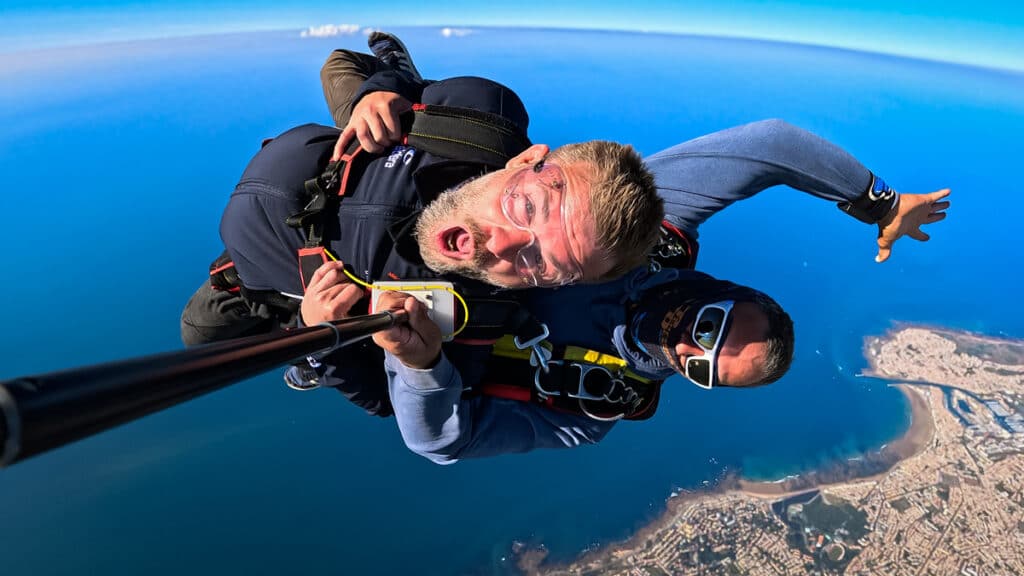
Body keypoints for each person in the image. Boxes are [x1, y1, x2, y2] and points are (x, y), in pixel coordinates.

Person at [315, 34, 950, 463]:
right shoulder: (652, 233)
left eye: (700, 368)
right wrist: (883, 204)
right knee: (358, 97)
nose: (687, 346)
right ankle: (395, 73)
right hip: (435, 202)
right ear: (730, 290)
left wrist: (420, 364)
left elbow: (444, 442)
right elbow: (771, 144)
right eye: (712, 326)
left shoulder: (587, 408)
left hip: (356, 306)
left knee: (228, 318)